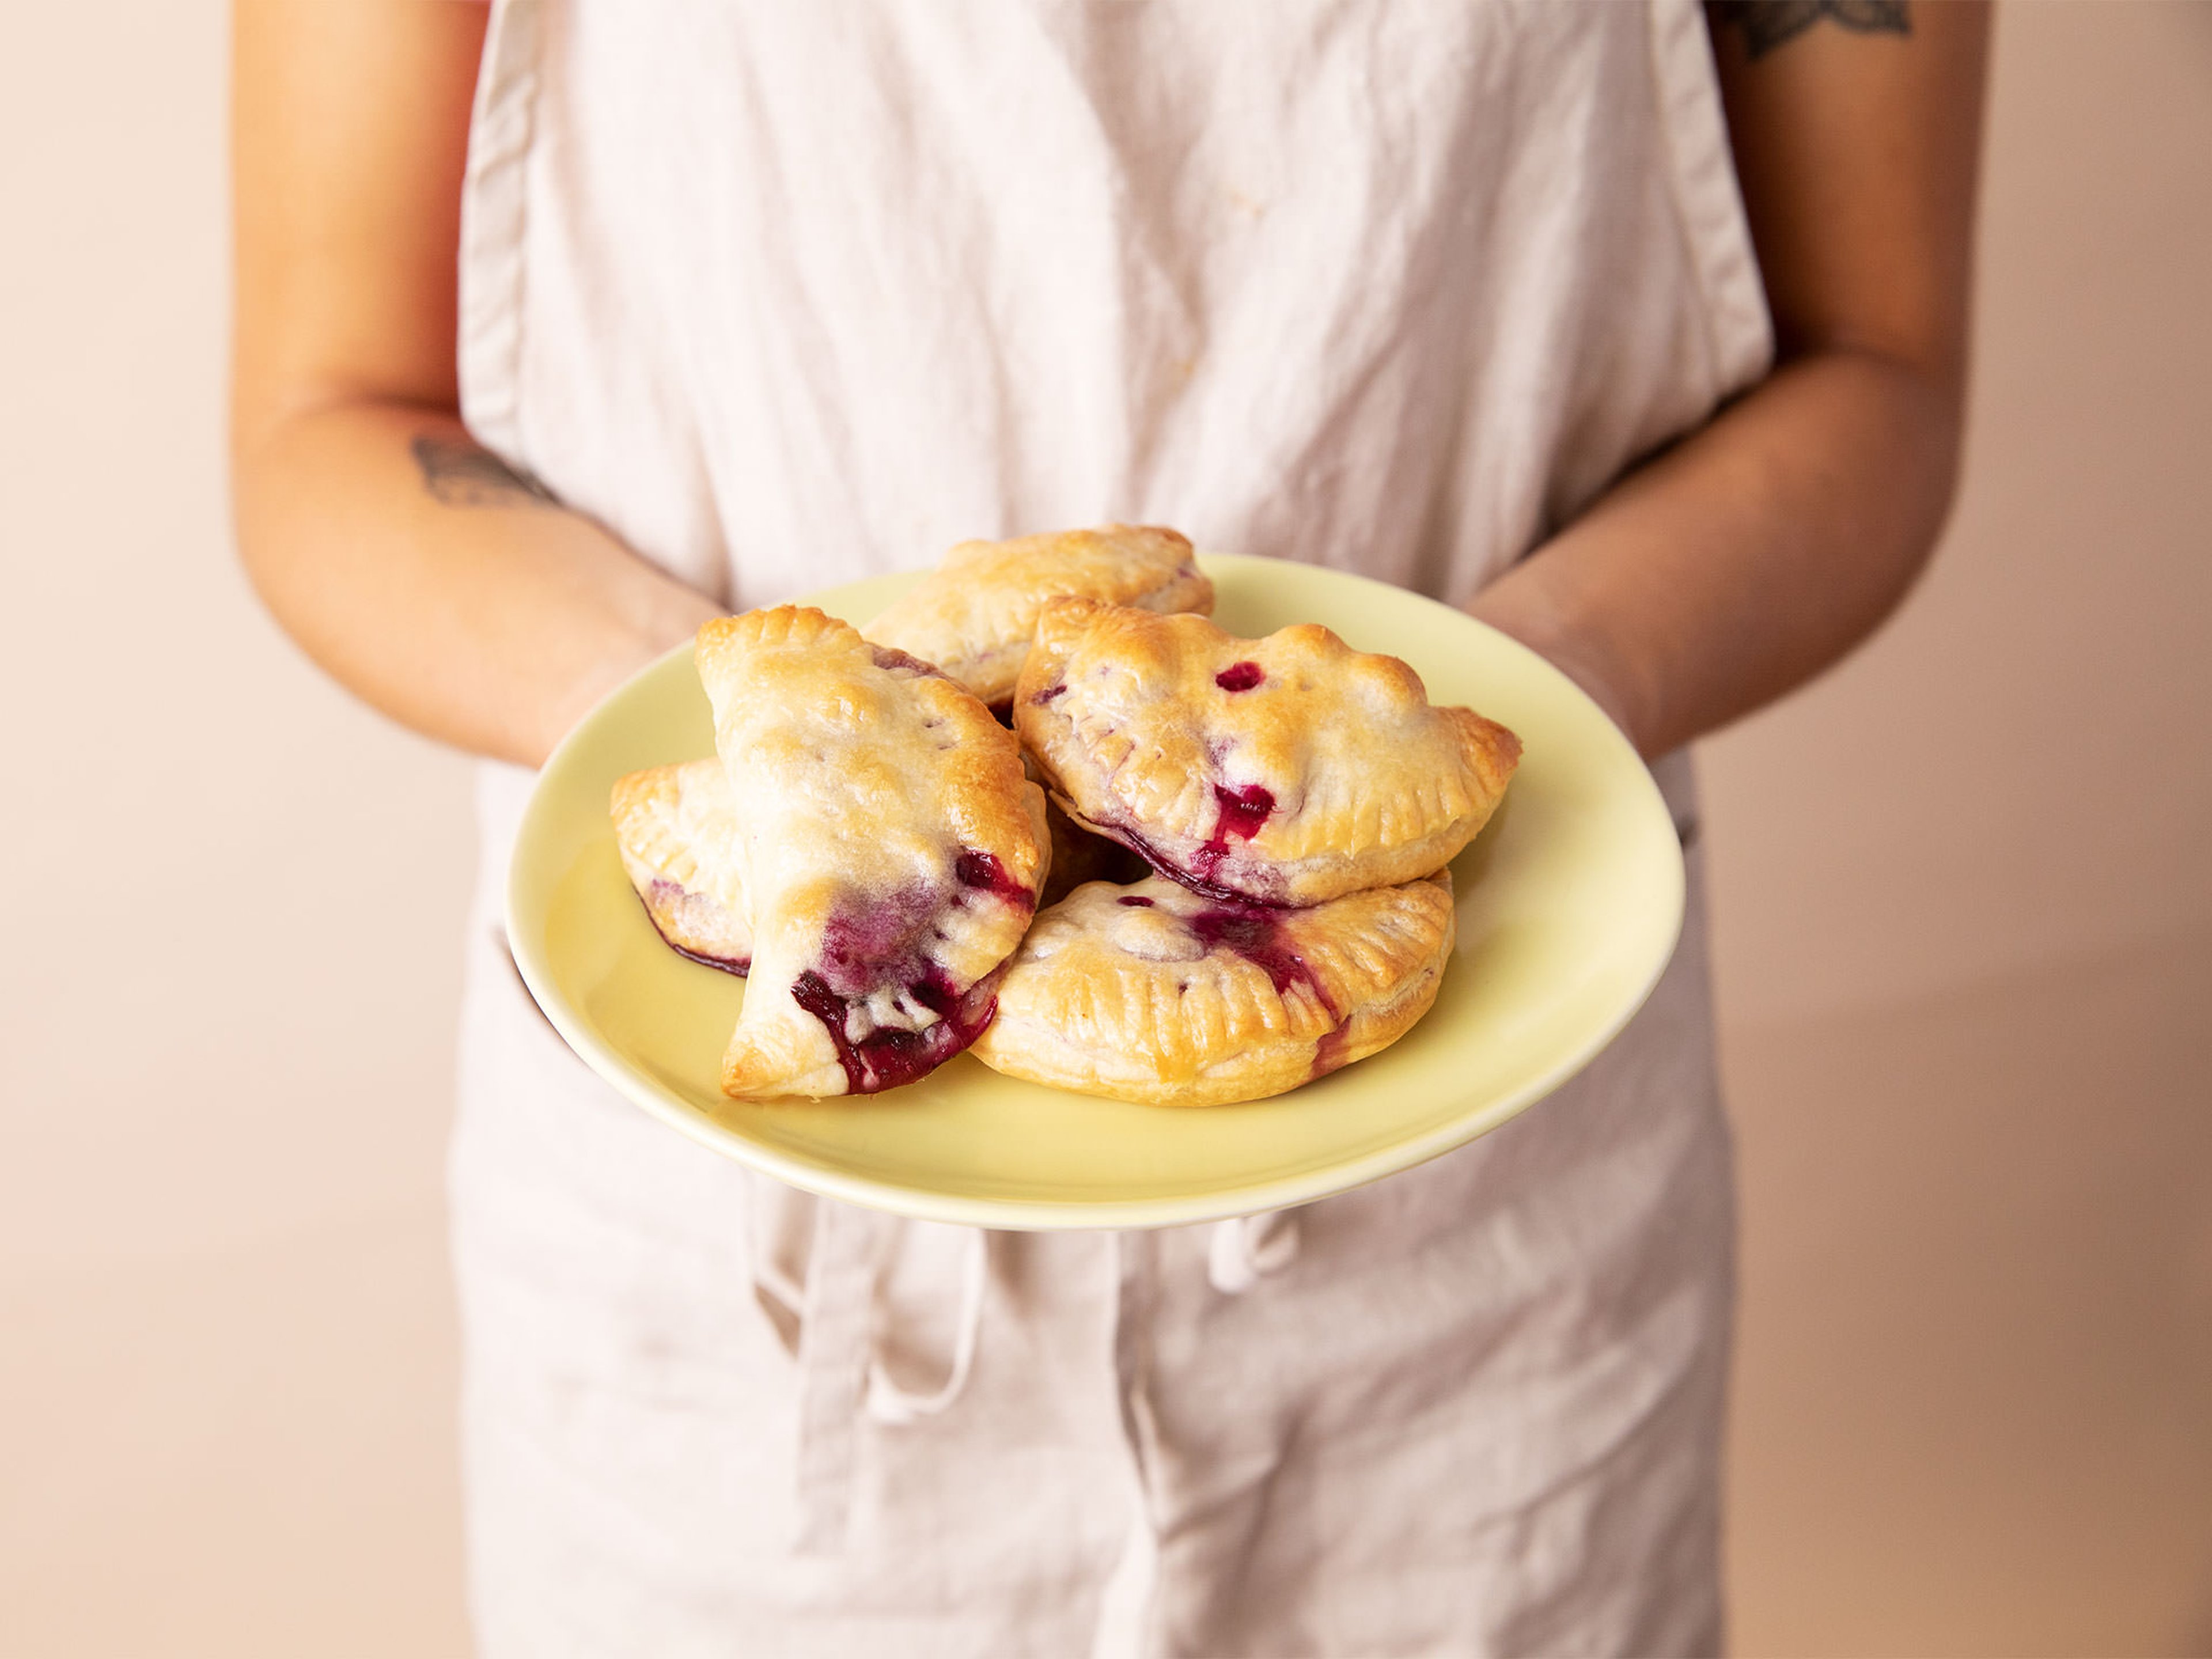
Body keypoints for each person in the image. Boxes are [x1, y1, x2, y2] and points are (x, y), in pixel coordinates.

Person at [231, 2, 1987, 1652]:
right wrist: (791, 767)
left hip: (1487, 1286)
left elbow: (1875, 359)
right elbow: (329, 410)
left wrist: (1488, 706)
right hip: (731, 1327)